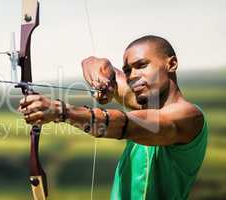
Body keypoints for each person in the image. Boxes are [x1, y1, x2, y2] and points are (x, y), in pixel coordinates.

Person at [18, 35, 208, 199]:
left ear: (171, 64)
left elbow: (125, 124)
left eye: (142, 65)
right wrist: (102, 78)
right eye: (128, 70)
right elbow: (92, 62)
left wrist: (61, 111)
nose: (133, 76)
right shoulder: (142, 101)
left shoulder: (188, 116)